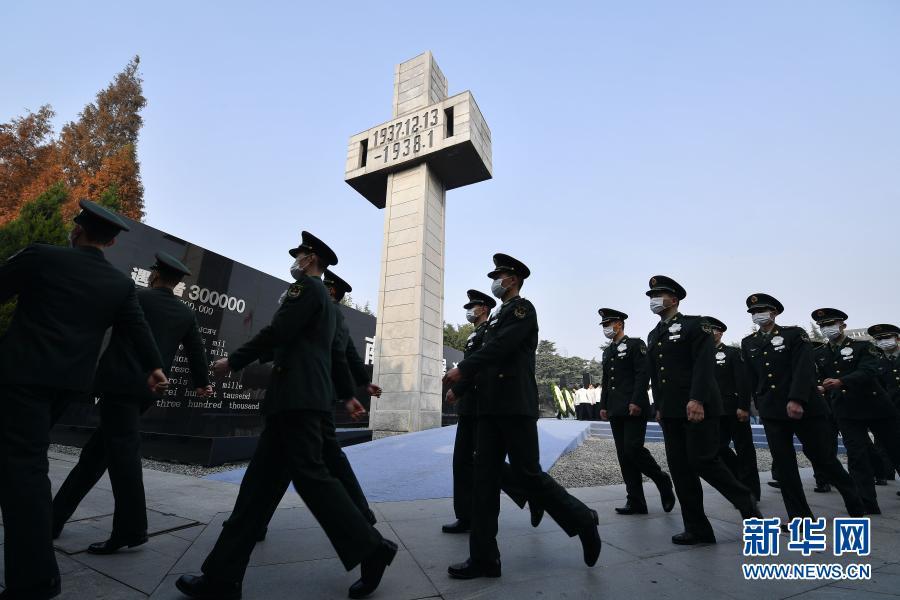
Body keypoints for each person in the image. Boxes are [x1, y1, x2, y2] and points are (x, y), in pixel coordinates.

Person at [175, 232, 396, 600]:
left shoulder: (306, 290)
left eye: (299, 255)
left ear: (310, 260)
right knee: (256, 494)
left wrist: (234, 360)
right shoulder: (322, 301)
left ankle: (371, 548)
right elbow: (324, 352)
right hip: (296, 401)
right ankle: (222, 579)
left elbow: (278, 332)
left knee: (311, 479)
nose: (295, 260)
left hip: (296, 400)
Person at [0, 200, 167, 600]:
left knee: (23, 472)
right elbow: (138, 329)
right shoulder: (119, 284)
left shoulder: (42, 256)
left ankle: (35, 580)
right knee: (21, 464)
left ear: (76, 231)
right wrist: (155, 367)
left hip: (20, 376)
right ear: (109, 243)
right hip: (66, 386)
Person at [443, 254, 601, 579]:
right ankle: (485, 558)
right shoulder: (497, 318)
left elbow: (500, 348)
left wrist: (463, 368)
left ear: (512, 279)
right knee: (483, 480)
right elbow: (485, 358)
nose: (495, 280)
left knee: (528, 474)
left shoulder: (522, 310)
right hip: (488, 409)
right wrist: (461, 387)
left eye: (499, 275)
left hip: (514, 407)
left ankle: (582, 518)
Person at [52, 252, 213, 554]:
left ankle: (132, 529)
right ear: (177, 284)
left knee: (122, 458)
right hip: (147, 393)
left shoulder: (136, 297)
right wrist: (202, 383)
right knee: (95, 455)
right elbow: (195, 352)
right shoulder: (185, 314)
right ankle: (54, 519)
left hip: (118, 385)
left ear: (154, 275)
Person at [235, 267, 381, 544]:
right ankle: (251, 524)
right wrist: (360, 385)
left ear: (332, 292)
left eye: (326, 286)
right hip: (309, 396)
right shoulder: (329, 312)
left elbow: (341, 353)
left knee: (312, 468)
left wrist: (353, 392)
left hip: (308, 396)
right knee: (284, 466)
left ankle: (364, 531)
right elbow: (346, 352)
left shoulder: (329, 311)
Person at [645, 275, 760, 546]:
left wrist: (696, 399)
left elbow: (704, 366)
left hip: (698, 407)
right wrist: (659, 406)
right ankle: (697, 528)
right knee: (681, 470)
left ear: (674, 299)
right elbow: (657, 374)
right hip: (671, 411)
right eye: (651, 296)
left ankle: (746, 502)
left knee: (703, 460)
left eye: (658, 295)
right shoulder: (655, 333)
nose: (653, 300)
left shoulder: (696, 325)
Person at [741, 296, 864, 522]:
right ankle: (800, 517)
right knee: (785, 466)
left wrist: (796, 399)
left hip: (805, 407)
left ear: (774, 312)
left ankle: (853, 497)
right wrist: (757, 404)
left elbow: (804, 368)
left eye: (763, 310)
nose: (758, 314)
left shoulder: (794, 334)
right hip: (772, 411)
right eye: (754, 311)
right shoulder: (748, 342)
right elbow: (751, 376)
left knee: (822, 458)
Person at [442, 289, 541, 534]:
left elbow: (484, 363)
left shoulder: (497, 326)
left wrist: (461, 385)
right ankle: (467, 516)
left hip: (487, 403)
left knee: (488, 463)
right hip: (474, 404)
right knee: (469, 462)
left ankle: (533, 495)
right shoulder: (477, 333)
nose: (469, 310)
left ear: (484, 308)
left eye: (473, 306)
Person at [812, 308, 900, 515]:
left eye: (831, 324)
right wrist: (820, 387)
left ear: (842, 324)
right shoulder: (821, 354)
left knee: (895, 449)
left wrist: (842, 381)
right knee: (857, 455)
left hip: (875, 406)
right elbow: (819, 377)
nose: (827, 328)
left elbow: (869, 371)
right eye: (823, 325)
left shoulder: (863, 347)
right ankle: (866, 502)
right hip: (846, 410)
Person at [597, 308, 675, 515]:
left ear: (619, 324)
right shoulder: (608, 351)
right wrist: (603, 405)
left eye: (608, 324)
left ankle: (661, 479)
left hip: (633, 407)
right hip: (615, 408)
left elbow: (643, 375)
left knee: (633, 449)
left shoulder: (635, 345)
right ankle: (636, 500)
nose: (605, 328)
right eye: (604, 325)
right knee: (624, 455)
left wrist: (637, 401)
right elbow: (606, 381)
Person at [702, 317, 761, 501]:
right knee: (717, 448)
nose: (709, 334)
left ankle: (752, 490)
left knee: (745, 449)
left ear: (720, 332)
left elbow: (743, 382)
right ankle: (738, 477)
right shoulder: (701, 355)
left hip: (733, 409)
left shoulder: (732, 353)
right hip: (713, 411)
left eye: (712, 330)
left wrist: (743, 406)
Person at [868, 323, 900, 493]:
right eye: (879, 339)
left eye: (887, 337)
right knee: (888, 445)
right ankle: (886, 473)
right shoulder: (878, 363)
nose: (883, 341)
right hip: (889, 410)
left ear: (897, 338)